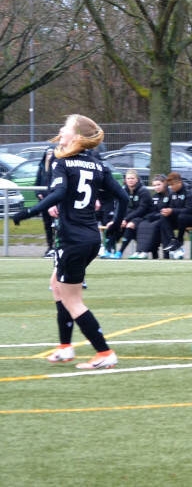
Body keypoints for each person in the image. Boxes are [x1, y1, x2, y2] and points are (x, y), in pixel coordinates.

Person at [12, 114, 129, 368]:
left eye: (65, 127)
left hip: (73, 240)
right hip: (90, 238)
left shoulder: (62, 162)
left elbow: (60, 193)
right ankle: (65, 348)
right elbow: (123, 198)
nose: (61, 130)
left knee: (73, 300)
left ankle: (104, 353)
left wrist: (29, 212)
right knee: (57, 285)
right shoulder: (98, 165)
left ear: (76, 136)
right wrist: (115, 227)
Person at [102, 169, 151, 259]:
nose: (130, 180)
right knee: (112, 225)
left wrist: (125, 220)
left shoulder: (144, 191)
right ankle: (108, 251)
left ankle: (119, 252)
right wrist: (116, 220)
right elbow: (118, 207)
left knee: (130, 225)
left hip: (142, 217)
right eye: (128, 178)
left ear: (137, 179)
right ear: (125, 180)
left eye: (132, 178)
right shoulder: (123, 191)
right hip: (127, 218)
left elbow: (141, 210)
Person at [160, 171, 192, 259]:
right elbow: (170, 208)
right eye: (170, 185)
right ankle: (173, 240)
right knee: (163, 217)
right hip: (180, 219)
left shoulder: (190, 193)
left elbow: (189, 210)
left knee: (182, 216)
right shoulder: (172, 193)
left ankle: (179, 240)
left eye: (173, 185)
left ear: (179, 182)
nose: (171, 187)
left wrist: (172, 210)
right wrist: (166, 210)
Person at [130, 174, 169, 259]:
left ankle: (145, 251)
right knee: (142, 224)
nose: (157, 187)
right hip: (156, 218)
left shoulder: (170, 195)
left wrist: (156, 215)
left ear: (165, 184)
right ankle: (139, 251)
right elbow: (152, 210)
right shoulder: (155, 196)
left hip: (166, 220)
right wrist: (149, 216)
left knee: (153, 226)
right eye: (155, 185)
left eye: (159, 184)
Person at [35, 147, 56, 258]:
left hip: (54, 201)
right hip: (44, 202)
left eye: (52, 153)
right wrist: (38, 193)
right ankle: (50, 246)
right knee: (47, 225)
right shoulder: (42, 167)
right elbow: (37, 183)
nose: (50, 155)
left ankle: (57, 247)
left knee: (56, 225)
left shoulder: (57, 166)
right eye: (48, 153)